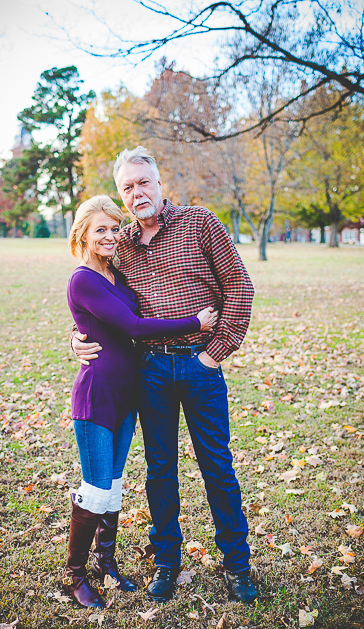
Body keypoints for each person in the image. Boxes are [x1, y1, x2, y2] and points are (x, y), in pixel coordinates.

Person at [72, 146, 258, 605]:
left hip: (201, 364)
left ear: (159, 182)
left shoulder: (200, 223)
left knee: (218, 467)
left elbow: (240, 286)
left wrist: (215, 354)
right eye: (128, 188)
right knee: (160, 471)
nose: (138, 193)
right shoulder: (123, 245)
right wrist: (74, 338)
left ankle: (237, 566)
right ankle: (166, 563)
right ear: (122, 194)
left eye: (144, 183)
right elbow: (99, 300)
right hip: (150, 370)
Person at [65, 195, 217, 608]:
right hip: (97, 395)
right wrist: (195, 323)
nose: (111, 236)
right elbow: (132, 324)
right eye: (101, 229)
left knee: (113, 487)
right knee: (95, 490)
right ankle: (74, 576)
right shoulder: (82, 278)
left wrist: (76, 332)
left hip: (128, 395)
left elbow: (111, 320)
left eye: (115, 228)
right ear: (83, 234)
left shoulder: (115, 273)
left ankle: (106, 563)